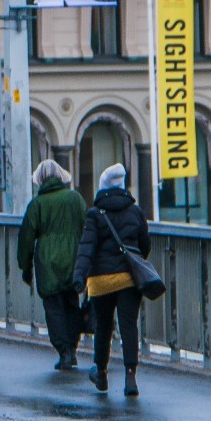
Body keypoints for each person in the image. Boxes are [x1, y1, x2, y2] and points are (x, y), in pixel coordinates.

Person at [73, 162, 152, 396]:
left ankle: (102, 373)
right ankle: (130, 377)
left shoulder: (95, 214)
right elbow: (144, 244)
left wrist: (79, 276)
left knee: (104, 327)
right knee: (129, 326)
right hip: (129, 278)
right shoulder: (135, 212)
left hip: (100, 281)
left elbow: (86, 248)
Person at [18, 159, 89, 371]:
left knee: (54, 309)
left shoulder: (37, 205)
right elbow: (88, 227)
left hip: (47, 262)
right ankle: (73, 348)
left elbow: (26, 238)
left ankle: (63, 351)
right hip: (73, 259)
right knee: (72, 304)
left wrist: (26, 267)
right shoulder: (75, 199)